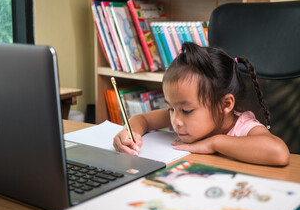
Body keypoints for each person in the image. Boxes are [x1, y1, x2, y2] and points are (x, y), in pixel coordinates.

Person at [113, 42, 290, 166]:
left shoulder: (244, 127)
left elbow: (279, 153)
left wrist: (214, 143)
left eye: (187, 110)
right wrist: (130, 133)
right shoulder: (180, 116)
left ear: (225, 105)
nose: (176, 120)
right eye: (170, 108)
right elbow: (142, 119)